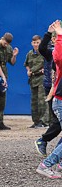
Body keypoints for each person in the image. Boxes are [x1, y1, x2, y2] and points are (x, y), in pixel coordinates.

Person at [36, 20, 62, 178]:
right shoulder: (55, 52)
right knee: (55, 125)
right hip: (58, 97)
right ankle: (47, 163)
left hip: (56, 94)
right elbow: (57, 58)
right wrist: (57, 35)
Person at [25, 35, 47, 129]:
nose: (36, 44)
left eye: (37, 42)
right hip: (33, 79)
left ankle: (44, 121)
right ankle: (36, 121)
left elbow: (49, 62)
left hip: (41, 78)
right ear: (31, 43)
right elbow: (26, 64)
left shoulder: (44, 52)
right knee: (34, 101)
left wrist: (44, 69)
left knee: (42, 100)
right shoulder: (30, 53)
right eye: (34, 43)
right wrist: (28, 70)